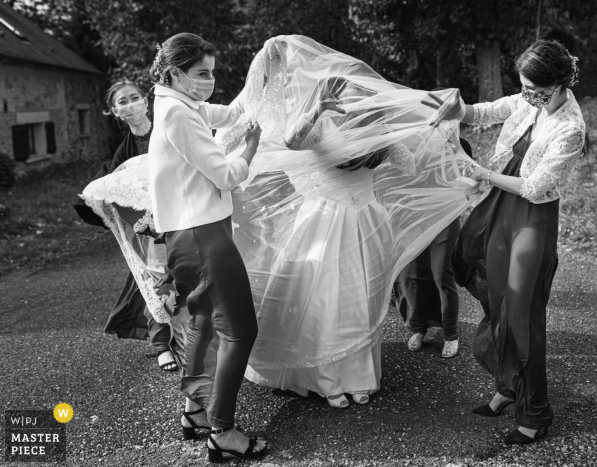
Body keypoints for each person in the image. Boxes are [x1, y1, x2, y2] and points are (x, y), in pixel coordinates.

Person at [214, 36, 482, 410]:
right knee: (323, 298)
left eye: (358, 95)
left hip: (366, 221)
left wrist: (432, 143)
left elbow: (411, 166)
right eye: (346, 94)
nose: (353, 101)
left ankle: (357, 377)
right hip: (324, 220)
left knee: (361, 300)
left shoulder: (378, 134)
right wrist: (317, 110)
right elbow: (292, 142)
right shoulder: (322, 125)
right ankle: (323, 378)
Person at [423, 39, 586, 444]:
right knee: (476, 275)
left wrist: (482, 173)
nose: (526, 95)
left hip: (531, 217)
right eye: (523, 87)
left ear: (556, 84)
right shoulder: (530, 99)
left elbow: (534, 187)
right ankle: (508, 382)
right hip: (498, 205)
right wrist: (455, 105)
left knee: (521, 314)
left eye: (532, 88)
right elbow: (485, 112)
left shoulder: (570, 129)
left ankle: (534, 414)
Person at [147, 33, 266, 462]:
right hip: (203, 236)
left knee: (204, 321)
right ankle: (224, 432)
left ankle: (195, 409)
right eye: (202, 73)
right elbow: (225, 175)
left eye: (212, 73)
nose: (209, 81)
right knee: (241, 330)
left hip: (189, 234)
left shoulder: (179, 103)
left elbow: (232, 111)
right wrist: (249, 150)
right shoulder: (178, 114)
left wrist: (263, 71)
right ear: (175, 73)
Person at [73, 80, 177, 372]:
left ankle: (188, 335)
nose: (130, 104)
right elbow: (113, 190)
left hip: (179, 213)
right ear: (114, 112)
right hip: (147, 226)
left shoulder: (168, 131)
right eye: (123, 102)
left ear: (146, 101)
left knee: (188, 274)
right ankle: (161, 345)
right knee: (156, 278)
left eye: (135, 98)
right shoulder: (122, 152)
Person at [394, 132, 473, 358]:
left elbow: (470, 180)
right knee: (411, 274)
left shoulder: (462, 145)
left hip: (444, 220)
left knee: (441, 275)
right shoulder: (414, 145)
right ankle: (418, 328)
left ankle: (450, 333)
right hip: (415, 218)